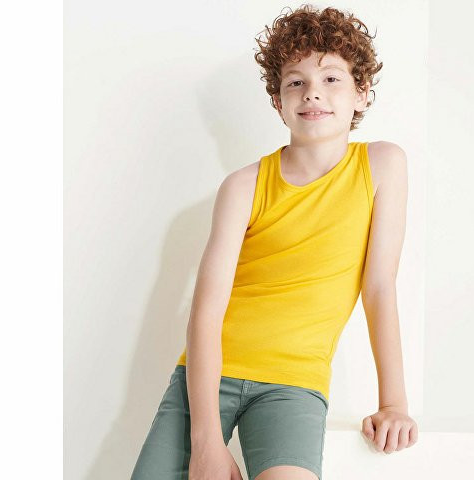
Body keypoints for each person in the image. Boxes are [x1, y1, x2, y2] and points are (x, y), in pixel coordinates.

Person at [131, 4, 418, 480]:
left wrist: (394, 403)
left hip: (294, 384)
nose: (312, 93)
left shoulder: (383, 165)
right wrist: (205, 444)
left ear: (362, 93)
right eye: (295, 82)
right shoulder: (243, 186)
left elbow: (379, 288)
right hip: (207, 376)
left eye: (331, 79)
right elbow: (206, 312)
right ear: (277, 101)